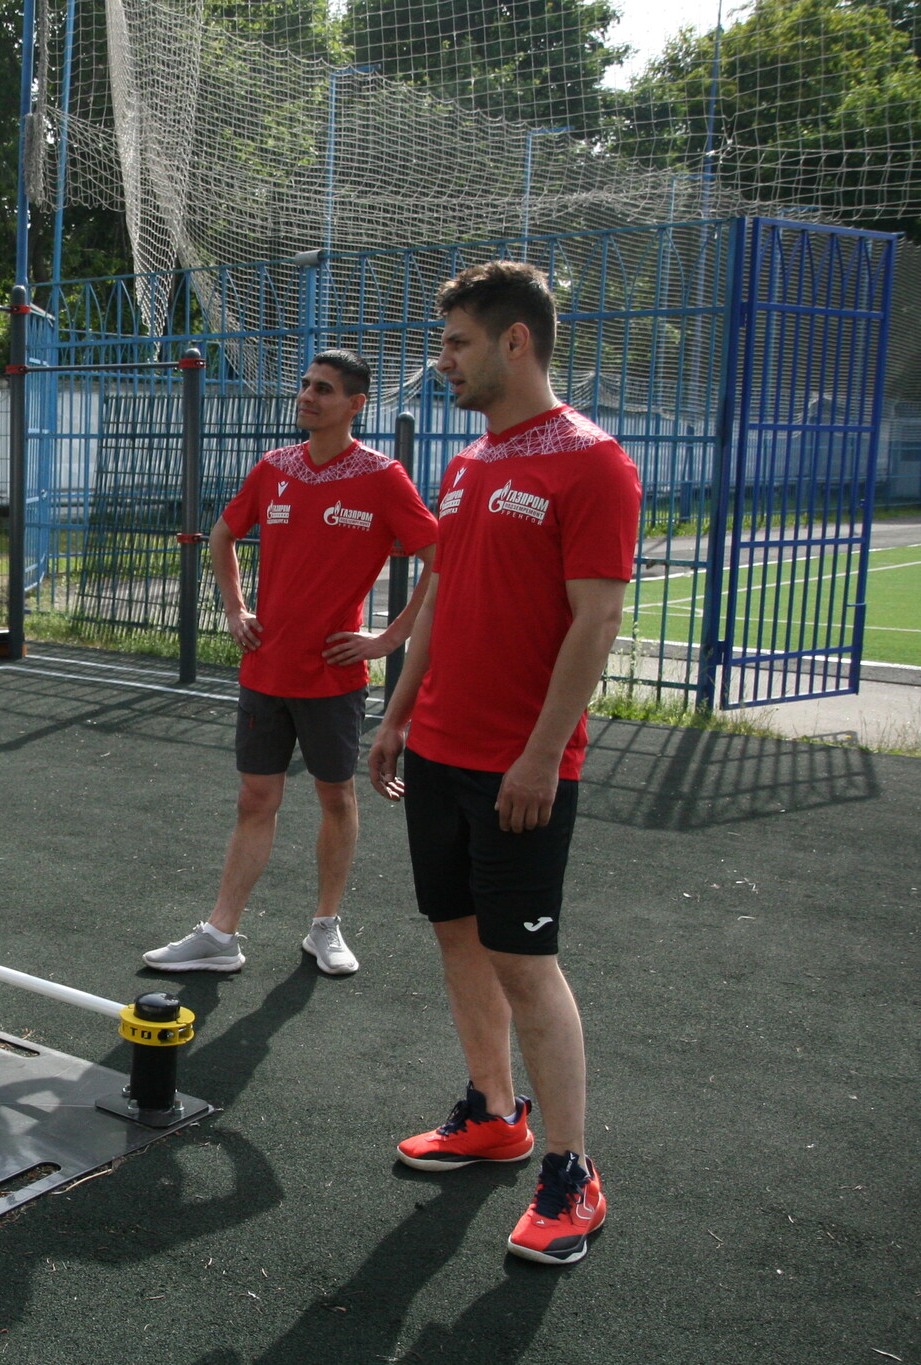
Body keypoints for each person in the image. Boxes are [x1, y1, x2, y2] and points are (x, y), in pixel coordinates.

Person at [367, 260, 640, 1265]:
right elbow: (441, 599)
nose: (440, 362)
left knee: (525, 965)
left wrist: (538, 756)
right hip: (435, 748)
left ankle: (570, 1174)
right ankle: (492, 1112)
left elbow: (596, 619)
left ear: (512, 342)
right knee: (455, 936)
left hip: (519, 766)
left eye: (455, 344)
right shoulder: (469, 464)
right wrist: (394, 714)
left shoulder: (591, 462)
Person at [145, 350, 437, 977]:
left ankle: (324, 927)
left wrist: (390, 638)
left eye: (323, 390)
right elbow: (222, 535)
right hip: (265, 670)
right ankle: (220, 936)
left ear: (356, 405)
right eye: (305, 384)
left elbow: (441, 557)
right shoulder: (274, 467)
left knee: (336, 796)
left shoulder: (383, 477)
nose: (307, 396)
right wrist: (235, 609)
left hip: (332, 676)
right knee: (255, 799)